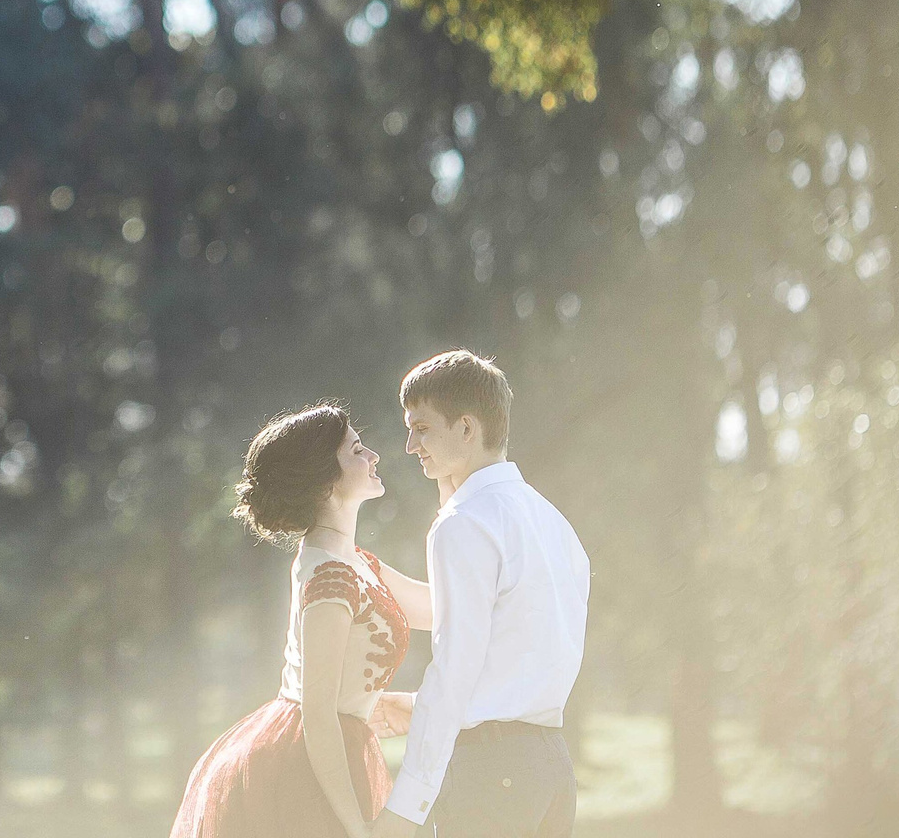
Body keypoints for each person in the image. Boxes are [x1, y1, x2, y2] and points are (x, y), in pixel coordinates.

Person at [171, 403, 430, 838]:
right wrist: (356, 828)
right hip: (306, 769)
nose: (374, 457)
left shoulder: (356, 563)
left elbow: (446, 610)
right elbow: (319, 714)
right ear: (327, 480)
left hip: (336, 751)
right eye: (357, 450)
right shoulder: (330, 575)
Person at [370, 351, 591, 838]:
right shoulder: (553, 523)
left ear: (466, 429)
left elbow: (455, 667)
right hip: (551, 767)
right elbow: (493, 627)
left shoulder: (464, 525)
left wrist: (406, 806)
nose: (410, 445)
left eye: (422, 429)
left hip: (492, 778)